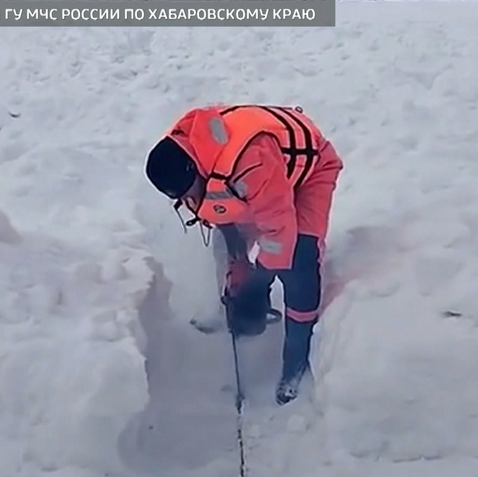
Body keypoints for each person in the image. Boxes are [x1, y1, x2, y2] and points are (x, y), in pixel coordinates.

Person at [144, 104, 343, 405]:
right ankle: (235, 313)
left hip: (309, 171)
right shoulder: (179, 154)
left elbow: (279, 234)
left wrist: (258, 284)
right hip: (259, 180)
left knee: (299, 261)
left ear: (197, 171)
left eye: (191, 192)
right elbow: (223, 218)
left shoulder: (250, 162)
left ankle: (296, 360)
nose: (189, 201)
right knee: (232, 249)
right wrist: (239, 269)